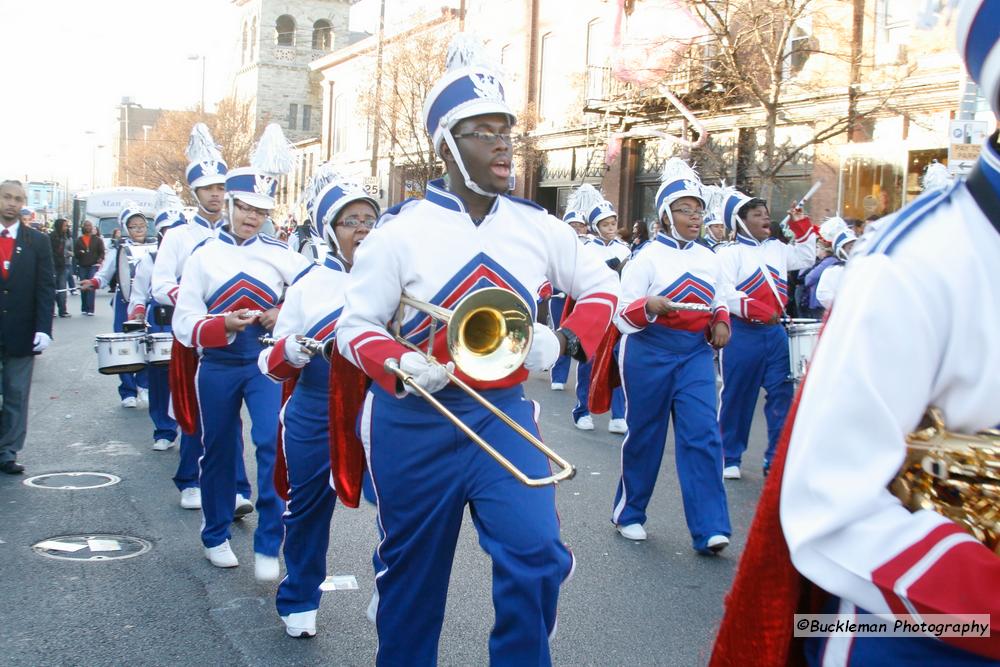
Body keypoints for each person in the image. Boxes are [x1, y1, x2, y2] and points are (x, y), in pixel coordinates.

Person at [711, 4, 1000, 663]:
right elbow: (828, 504)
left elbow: (802, 267)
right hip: (915, 632)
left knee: (770, 408)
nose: (759, 221)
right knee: (727, 421)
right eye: (750, 214)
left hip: (772, 336)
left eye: (762, 215)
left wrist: (810, 251)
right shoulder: (914, 263)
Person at [335, 35, 619, 666]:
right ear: (446, 146)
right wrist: (400, 362)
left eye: (506, 132)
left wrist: (566, 338)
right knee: (413, 583)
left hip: (503, 412)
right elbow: (354, 328)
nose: (501, 145)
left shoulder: (538, 226)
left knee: (537, 555)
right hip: (415, 422)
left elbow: (604, 287)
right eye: (483, 131)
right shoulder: (398, 234)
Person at [173, 124, 312, 579]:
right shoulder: (201, 255)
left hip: (264, 365)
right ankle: (215, 533)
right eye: (245, 209)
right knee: (217, 450)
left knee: (273, 445)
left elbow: (318, 295)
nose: (252, 218)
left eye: (260, 211)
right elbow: (184, 321)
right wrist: (221, 326)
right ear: (228, 206)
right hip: (217, 364)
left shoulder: (283, 253)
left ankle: (270, 540)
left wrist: (281, 311)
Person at [258, 171, 377, 638]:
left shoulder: (399, 279)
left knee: (402, 510)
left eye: (370, 218)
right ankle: (300, 595)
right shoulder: (309, 283)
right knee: (307, 510)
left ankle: (394, 590)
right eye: (351, 220)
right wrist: (292, 350)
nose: (363, 229)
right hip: (315, 410)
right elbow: (271, 362)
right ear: (331, 230)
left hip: (380, 410)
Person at [608, 158, 733, 552]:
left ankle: (710, 527)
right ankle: (629, 512)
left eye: (698, 211)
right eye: (685, 210)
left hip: (694, 354)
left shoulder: (710, 258)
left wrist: (721, 323)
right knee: (646, 434)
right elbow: (622, 314)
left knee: (703, 435)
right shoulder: (645, 258)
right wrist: (650, 306)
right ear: (665, 215)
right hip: (648, 351)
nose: (695, 217)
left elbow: (721, 300)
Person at [151, 123, 253, 513]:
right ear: (195, 192)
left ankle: (238, 487)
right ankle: (190, 478)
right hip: (195, 333)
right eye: (209, 188)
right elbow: (161, 284)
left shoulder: (243, 233)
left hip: (237, 332)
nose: (216, 194)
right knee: (196, 407)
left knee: (234, 411)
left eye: (221, 187)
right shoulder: (178, 235)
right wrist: (195, 302)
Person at [715, 191, 816, 478]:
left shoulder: (778, 249)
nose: (765, 219)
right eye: (757, 215)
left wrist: (800, 223)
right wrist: (757, 310)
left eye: (766, 214)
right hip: (741, 334)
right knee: (738, 395)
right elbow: (723, 293)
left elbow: (806, 256)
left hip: (774, 335)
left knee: (782, 394)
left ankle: (776, 458)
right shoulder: (728, 253)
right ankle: (729, 455)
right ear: (740, 221)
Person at [0, 180, 54, 474]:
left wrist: (44, 328)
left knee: (16, 394)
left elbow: (45, 287)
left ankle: (7, 451)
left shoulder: (37, 241)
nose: (12, 203)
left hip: (21, 330)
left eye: (18, 199)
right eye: (7, 197)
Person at [565, 184, 628, 434]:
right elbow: (580, 280)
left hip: (618, 316)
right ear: (595, 227)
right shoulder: (586, 249)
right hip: (594, 315)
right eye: (605, 225)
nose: (610, 229)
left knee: (619, 364)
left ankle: (619, 414)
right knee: (588, 363)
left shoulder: (624, 249)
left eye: (613, 224)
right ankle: (583, 409)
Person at [127, 186, 185, 451]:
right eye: (167, 232)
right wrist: (138, 313)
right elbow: (138, 296)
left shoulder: (198, 258)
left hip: (189, 322)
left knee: (190, 379)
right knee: (161, 379)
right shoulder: (149, 261)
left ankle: (193, 428)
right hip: (160, 322)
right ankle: (164, 428)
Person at [79, 204, 151, 408]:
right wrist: (92, 282)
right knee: (125, 346)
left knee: (148, 343)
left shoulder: (156, 247)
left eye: (142, 225)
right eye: (134, 226)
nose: (139, 229)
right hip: (125, 302)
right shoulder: (118, 249)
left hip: (148, 303)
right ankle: (127, 390)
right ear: (126, 228)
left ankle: (144, 384)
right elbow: (104, 274)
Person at [548, 208, 590, 391]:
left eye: (580, 226)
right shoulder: (555, 246)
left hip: (581, 298)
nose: (576, 229)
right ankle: (558, 376)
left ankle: (587, 382)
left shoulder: (591, 246)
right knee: (561, 333)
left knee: (583, 337)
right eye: (572, 226)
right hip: (560, 298)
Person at [814, 216, 857, 310]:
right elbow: (823, 294)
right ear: (841, 250)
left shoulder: (862, 268)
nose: (853, 250)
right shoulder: (833, 270)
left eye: (855, 246)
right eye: (849, 247)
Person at [73, 220, 104, 315]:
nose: (87, 227)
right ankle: (84, 308)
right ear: (83, 227)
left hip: (93, 266)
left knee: (91, 286)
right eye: (86, 225)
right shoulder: (79, 240)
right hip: (82, 265)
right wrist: (80, 253)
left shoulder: (97, 240)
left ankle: (90, 309)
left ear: (92, 227)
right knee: (83, 287)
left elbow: (101, 252)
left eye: (89, 225)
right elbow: (76, 253)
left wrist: (100, 259)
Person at [49, 218, 74, 318]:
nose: (66, 228)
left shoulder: (66, 236)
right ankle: (51, 310)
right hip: (53, 266)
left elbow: (69, 249)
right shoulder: (51, 237)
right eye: (65, 226)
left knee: (62, 290)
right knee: (52, 289)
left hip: (63, 265)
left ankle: (62, 310)